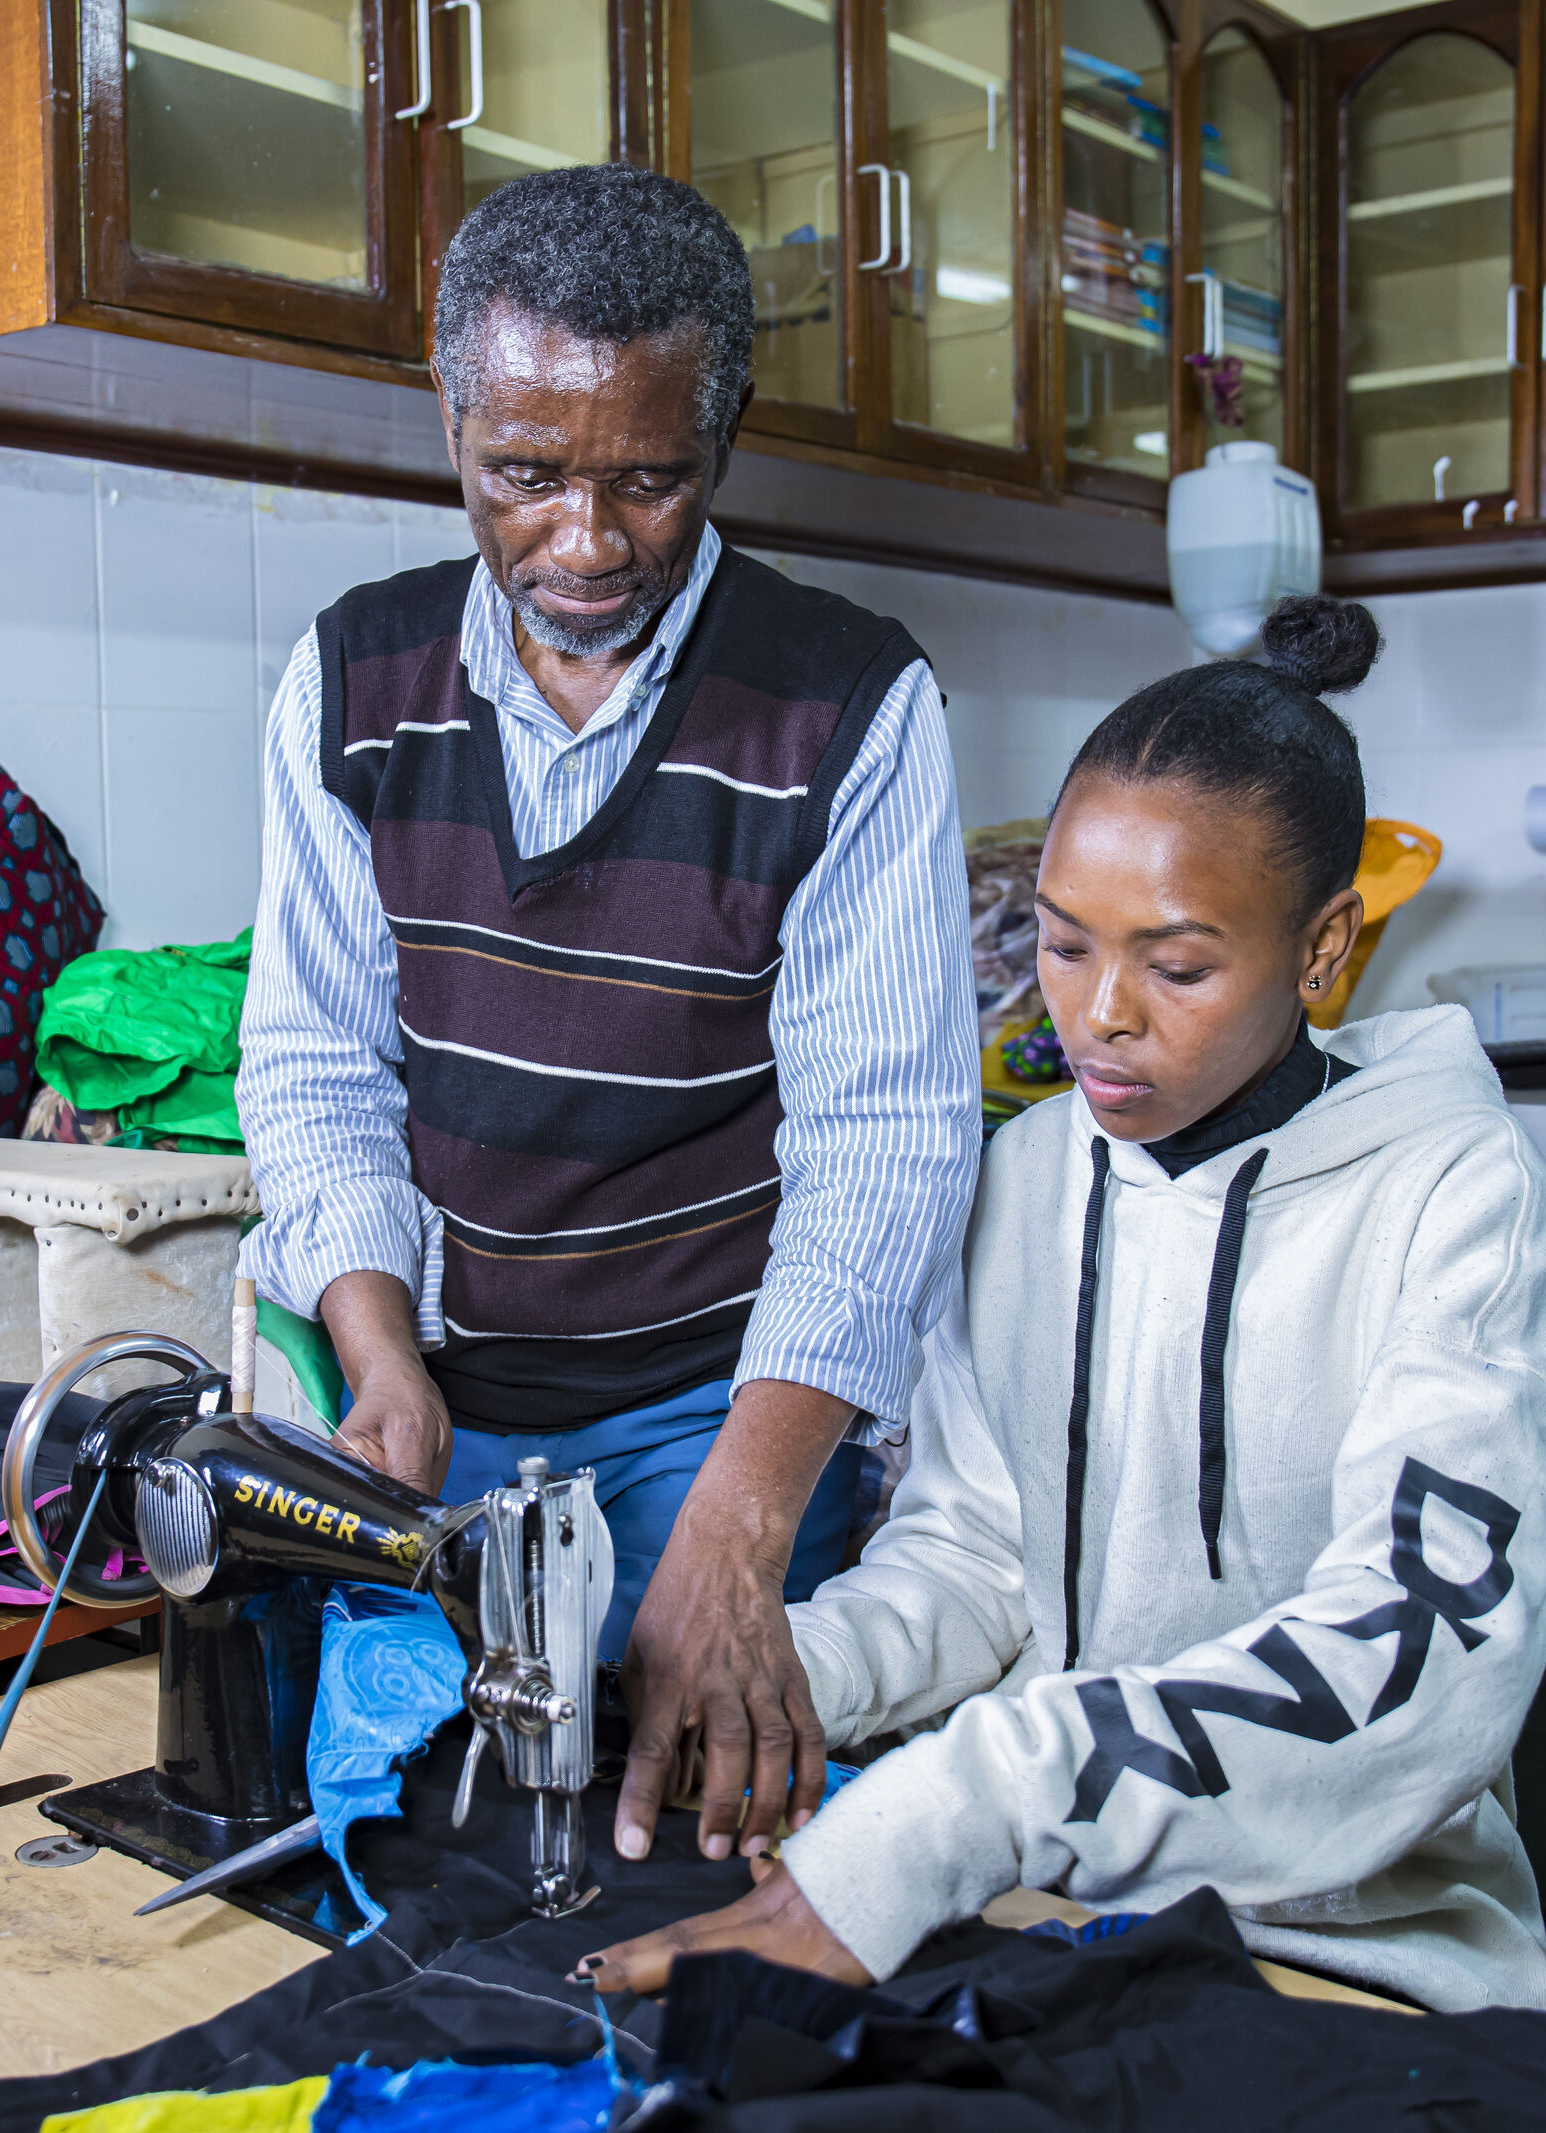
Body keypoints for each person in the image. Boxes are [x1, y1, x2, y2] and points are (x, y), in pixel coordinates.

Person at [582, 596, 1546, 2012]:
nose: (1099, 1012)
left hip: (1354, 1954)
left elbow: (1419, 1650)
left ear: (1324, 948)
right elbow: (979, 1561)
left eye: (1175, 965)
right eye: (1061, 945)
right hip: (1044, 1913)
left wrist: (974, 1801)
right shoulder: (1029, 1172)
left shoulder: (1454, 1192)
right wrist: (770, 1678)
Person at [235, 164, 980, 1867]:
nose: (581, 541)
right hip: (443, 1396)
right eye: (526, 475)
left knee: (698, 1827)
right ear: (451, 418)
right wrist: (379, 1354)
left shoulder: (852, 702)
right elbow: (317, 1062)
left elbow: (885, 1142)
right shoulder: (348, 684)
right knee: (415, 1833)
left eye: (648, 481)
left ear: (723, 436)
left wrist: (742, 1519)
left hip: (713, 1411)